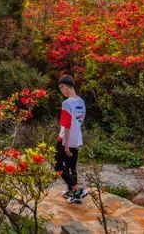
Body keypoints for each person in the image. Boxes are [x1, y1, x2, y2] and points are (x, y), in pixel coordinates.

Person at [55, 74, 87, 203]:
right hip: (77, 138)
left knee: (57, 166)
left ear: (65, 87)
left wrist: (66, 144)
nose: (61, 91)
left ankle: (76, 188)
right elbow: (79, 121)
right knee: (71, 166)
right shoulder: (81, 101)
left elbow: (66, 125)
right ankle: (73, 193)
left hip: (65, 139)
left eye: (61, 89)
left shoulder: (66, 103)